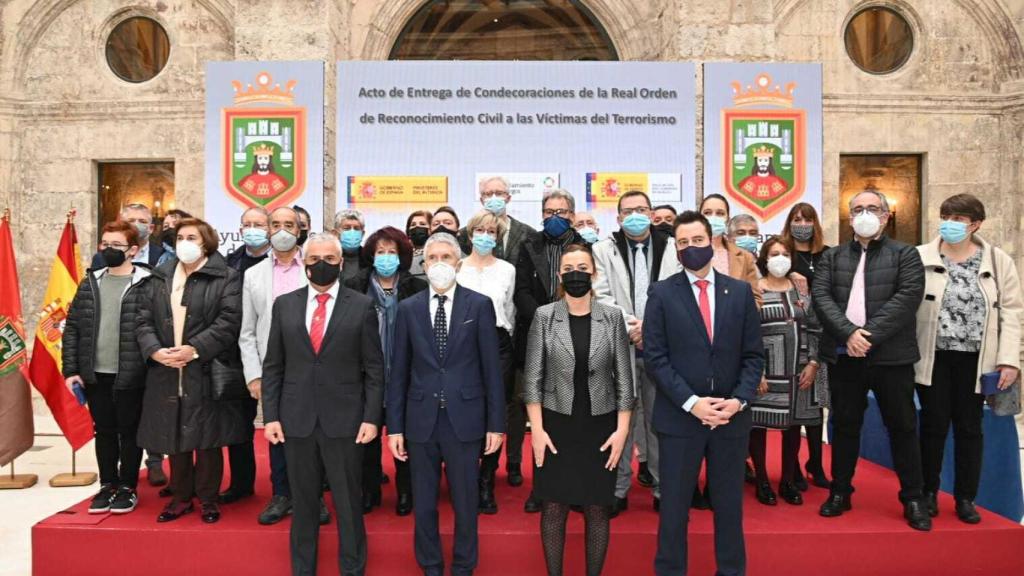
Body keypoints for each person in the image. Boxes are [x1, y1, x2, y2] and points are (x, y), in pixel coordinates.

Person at [644, 210, 764, 576]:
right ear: (676, 249)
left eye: (697, 240)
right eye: (683, 243)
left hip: (730, 418)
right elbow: (655, 358)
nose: (691, 247)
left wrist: (738, 400)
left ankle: (730, 570)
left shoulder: (739, 292)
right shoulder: (662, 293)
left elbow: (753, 355)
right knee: (674, 508)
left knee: (729, 507)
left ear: (711, 240)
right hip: (681, 418)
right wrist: (693, 403)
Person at [262, 232, 385, 576]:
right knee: (303, 506)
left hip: (345, 421)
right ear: (305, 263)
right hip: (296, 420)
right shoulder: (284, 304)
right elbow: (274, 365)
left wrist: (372, 417)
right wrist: (270, 415)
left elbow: (374, 369)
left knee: (348, 504)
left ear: (341, 264)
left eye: (329, 259)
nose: (321, 265)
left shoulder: (360, 306)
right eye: (314, 259)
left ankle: (352, 569)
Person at [812, 190, 931, 531]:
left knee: (903, 427)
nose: (865, 214)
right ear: (850, 217)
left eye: (873, 208)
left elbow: (908, 297)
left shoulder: (905, 254)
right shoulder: (832, 257)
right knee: (845, 425)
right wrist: (849, 334)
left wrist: (867, 336)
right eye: (858, 209)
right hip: (843, 356)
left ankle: (913, 497)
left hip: (892, 358)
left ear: (886, 216)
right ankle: (840, 491)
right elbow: (822, 297)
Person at [387, 232, 505, 576]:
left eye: (446, 257)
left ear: (459, 262)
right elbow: (399, 371)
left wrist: (495, 423)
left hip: (465, 419)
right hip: (420, 419)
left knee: (466, 502)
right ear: (424, 266)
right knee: (424, 503)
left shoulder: (479, 305)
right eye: (432, 259)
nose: (439, 264)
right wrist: (394, 426)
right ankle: (431, 566)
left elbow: (491, 371)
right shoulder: (408, 309)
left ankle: (464, 566)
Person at [524, 243, 633, 576]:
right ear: (559, 275)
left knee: (598, 509)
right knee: (554, 508)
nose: (576, 275)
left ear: (593, 274)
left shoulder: (612, 317)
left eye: (583, 269)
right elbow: (532, 380)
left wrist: (622, 433)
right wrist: (538, 433)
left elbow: (625, 383)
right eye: (569, 270)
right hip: (555, 425)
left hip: (601, 426)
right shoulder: (544, 316)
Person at [914, 193, 1022, 524]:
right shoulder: (920, 256)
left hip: (977, 359)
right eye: (946, 215)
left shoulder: (997, 260)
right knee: (932, 425)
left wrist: (1009, 360)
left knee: (969, 428)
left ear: (976, 224)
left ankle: (965, 498)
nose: (950, 223)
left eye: (958, 219)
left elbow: (1013, 312)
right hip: (933, 356)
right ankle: (928, 492)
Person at [136, 218, 249, 524]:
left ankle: (209, 499)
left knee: (208, 437)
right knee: (174, 433)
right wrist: (156, 351)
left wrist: (195, 348)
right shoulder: (158, 277)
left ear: (207, 243)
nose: (185, 242)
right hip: (167, 367)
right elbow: (142, 319)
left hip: (205, 366)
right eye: (181, 236)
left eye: (193, 237)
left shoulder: (226, 277)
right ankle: (181, 496)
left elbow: (228, 321)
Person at [237, 207, 330, 525]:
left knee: (315, 433)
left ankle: (313, 496)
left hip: (315, 366)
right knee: (277, 433)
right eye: (275, 224)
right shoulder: (253, 275)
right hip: (273, 368)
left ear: (301, 229)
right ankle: (282, 495)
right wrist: (253, 374)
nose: (281, 230)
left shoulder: (318, 266)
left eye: (289, 225)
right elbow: (247, 332)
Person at [592, 191, 679, 516]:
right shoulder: (602, 249)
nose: (635, 215)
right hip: (620, 347)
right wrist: (632, 327)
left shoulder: (672, 248)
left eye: (641, 209)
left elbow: (677, 293)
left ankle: (662, 488)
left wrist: (652, 330)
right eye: (628, 211)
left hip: (662, 351)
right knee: (620, 423)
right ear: (617, 218)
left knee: (661, 422)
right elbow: (599, 295)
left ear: (652, 212)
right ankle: (618, 488)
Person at [64, 221, 158, 515]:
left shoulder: (148, 282)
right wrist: (71, 370)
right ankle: (107, 485)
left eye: (116, 245)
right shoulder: (91, 281)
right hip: (95, 372)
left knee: (129, 431)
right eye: (104, 244)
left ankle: (128, 486)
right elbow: (73, 328)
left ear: (133, 250)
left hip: (131, 372)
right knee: (103, 430)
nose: (108, 249)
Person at [344, 226, 428, 516]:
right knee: (367, 437)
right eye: (380, 252)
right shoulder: (354, 286)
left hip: (406, 374)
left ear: (402, 256)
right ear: (371, 255)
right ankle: (370, 491)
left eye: (392, 252)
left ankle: (406, 491)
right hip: (365, 375)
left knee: (405, 435)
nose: (386, 257)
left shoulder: (418, 287)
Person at [514, 189, 583, 513]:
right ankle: (542, 488)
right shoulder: (528, 246)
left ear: (572, 214)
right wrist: (546, 319)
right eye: (549, 211)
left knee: (577, 417)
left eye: (562, 211)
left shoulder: (588, 247)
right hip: (537, 337)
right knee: (541, 418)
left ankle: (577, 486)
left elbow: (591, 289)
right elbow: (522, 292)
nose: (555, 217)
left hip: (579, 337)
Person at [692, 194, 762, 510]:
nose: (715, 216)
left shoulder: (742, 257)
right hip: (694, 347)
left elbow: (756, 299)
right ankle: (691, 483)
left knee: (726, 418)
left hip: (731, 348)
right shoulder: (687, 252)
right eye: (709, 212)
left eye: (720, 212)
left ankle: (718, 486)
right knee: (694, 419)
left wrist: (731, 318)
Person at [748, 237, 824, 507]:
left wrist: (814, 363)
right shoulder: (754, 289)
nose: (779, 258)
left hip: (800, 371)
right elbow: (747, 334)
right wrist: (755, 372)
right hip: (767, 372)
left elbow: (816, 327)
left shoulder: (801, 289)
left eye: (784, 253)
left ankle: (789, 480)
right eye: (774, 253)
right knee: (758, 426)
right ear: (764, 259)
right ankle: (762, 481)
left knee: (792, 428)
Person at [456, 210, 517, 514]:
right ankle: (463, 474)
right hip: (461, 342)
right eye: (480, 229)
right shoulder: (456, 267)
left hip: (497, 342)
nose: (485, 235)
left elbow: (509, 310)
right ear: (469, 234)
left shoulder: (507, 269)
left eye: (492, 231)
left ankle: (486, 479)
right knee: (464, 406)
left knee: (496, 409)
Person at [778, 202, 831, 489]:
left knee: (816, 405)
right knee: (793, 410)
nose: (802, 224)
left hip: (821, 336)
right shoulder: (783, 254)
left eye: (807, 219)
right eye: (797, 219)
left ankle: (816, 464)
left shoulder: (828, 254)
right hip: (791, 337)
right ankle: (793, 467)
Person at [457, 176, 535, 267]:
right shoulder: (465, 234)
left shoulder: (528, 233)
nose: (494, 198)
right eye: (488, 194)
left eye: (499, 193)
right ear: (482, 200)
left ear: (508, 198)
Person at [91, 203, 164, 270]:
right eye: (131, 221)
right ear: (121, 225)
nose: (136, 225)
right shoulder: (102, 258)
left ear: (151, 228)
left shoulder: (163, 256)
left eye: (142, 221)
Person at [226, 207, 272, 276]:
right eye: (247, 225)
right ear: (241, 231)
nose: (252, 229)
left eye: (258, 225)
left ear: (270, 230)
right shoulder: (228, 262)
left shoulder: (283, 259)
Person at [335, 209, 366, 282]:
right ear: (336, 233)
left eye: (356, 228)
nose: (352, 232)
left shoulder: (370, 259)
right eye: (347, 228)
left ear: (362, 234)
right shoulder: (328, 258)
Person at [406, 210, 433, 280]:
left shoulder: (436, 254)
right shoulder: (404, 257)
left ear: (431, 229)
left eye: (422, 224)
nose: (417, 226)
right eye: (413, 225)